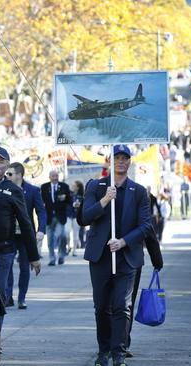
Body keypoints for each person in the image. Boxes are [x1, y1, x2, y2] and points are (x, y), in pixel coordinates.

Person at [80, 145, 151, 366]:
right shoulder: (95, 186)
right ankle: (104, 351)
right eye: (116, 158)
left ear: (129, 162)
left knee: (122, 305)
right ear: (110, 161)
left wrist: (123, 242)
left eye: (124, 158)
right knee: (101, 306)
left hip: (126, 256)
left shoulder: (138, 191)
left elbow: (146, 226)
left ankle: (119, 352)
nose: (120, 161)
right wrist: (104, 200)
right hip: (100, 256)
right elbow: (83, 217)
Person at [0, 147, 40, 313]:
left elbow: (25, 223)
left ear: (7, 166)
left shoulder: (14, 190)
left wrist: (33, 256)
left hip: (2, 251)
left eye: (1, 161)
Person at [5, 162, 46, 309]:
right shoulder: (4, 188)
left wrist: (41, 230)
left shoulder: (33, 190)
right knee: (7, 264)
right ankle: (7, 296)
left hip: (25, 235)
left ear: (19, 175)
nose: (7, 176)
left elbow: (41, 211)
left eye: (10, 174)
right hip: (8, 234)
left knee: (24, 266)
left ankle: (22, 298)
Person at [125, 224, 163, 358]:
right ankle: (120, 344)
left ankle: (119, 343)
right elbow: (147, 227)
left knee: (124, 304)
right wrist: (157, 260)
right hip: (128, 259)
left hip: (130, 260)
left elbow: (146, 227)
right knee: (126, 304)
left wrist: (157, 258)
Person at [41, 170, 71, 266]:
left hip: (60, 216)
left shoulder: (64, 186)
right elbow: (40, 201)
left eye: (56, 175)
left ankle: (61, 255)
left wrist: (65, 198)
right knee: (50, 239)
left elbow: (69, 200)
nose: (55, 177)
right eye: (53, 176)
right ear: (49, 177)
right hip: (49, 217)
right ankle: (52, 258)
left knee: (61, 236)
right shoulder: (44, 187)